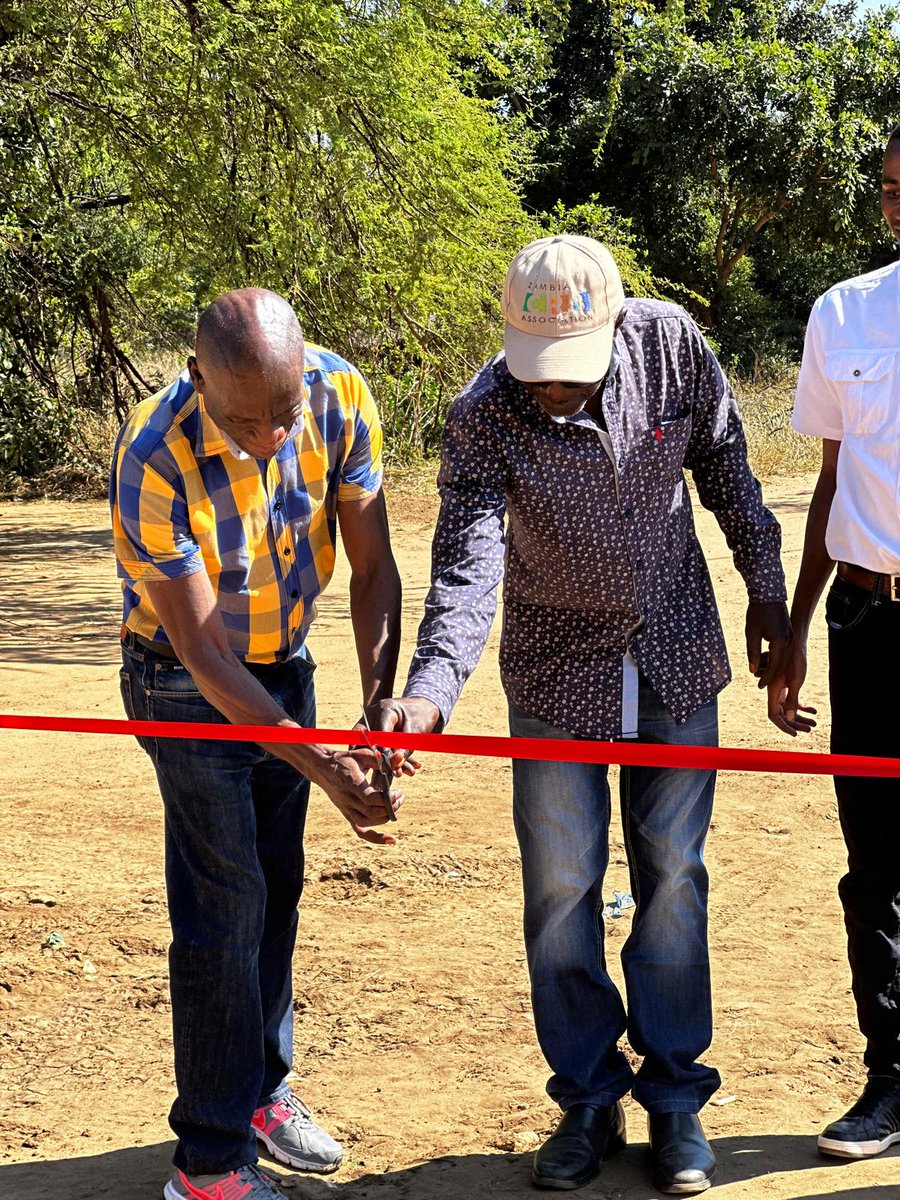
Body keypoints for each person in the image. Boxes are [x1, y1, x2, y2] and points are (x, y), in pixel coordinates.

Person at [370, 235, 793, 1193]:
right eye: (538, 375)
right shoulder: (483, 415)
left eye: (571, 375)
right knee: (562, 888)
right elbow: (469, 570)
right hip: (558, 670)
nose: (552, 391)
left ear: (613, 331)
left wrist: (765, 591)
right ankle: (590, 1095)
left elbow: (727, 469)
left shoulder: (673, 346)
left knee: (675, 876)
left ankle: (677, 1100)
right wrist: (431, 694)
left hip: (677, 653)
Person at [111, 288, 411, 1200]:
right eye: (246, 421)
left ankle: (261, 1093)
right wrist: (321, 763)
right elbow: (201, 652)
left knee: (276, 890)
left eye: (283, 413)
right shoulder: (154, 454)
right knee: (224, 909)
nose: (274, 437)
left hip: (286, 671)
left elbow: (372, 566)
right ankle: (207, 1162)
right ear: (198, 377)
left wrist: (376, 710)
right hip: (183, 686)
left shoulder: (340, 396)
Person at [768, 129, 900, 1159]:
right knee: (875, 866)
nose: (896, 206)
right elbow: (828, 480)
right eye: (891, 190)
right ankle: (890, 1081)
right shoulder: (844, 310)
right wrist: (797, 628)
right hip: (868, 620)